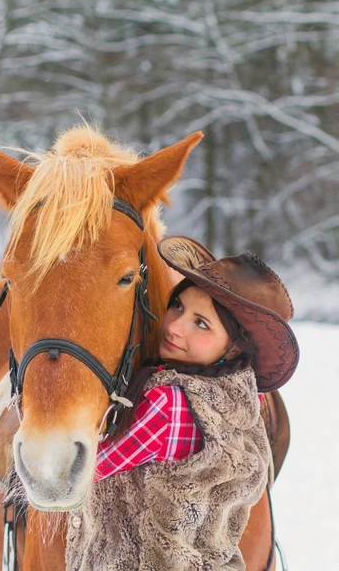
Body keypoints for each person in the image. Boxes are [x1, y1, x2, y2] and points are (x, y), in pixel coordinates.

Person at [66, 235, 299, 571]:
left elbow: (83, 471)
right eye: (178, 306)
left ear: (234, 349)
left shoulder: (168, 405)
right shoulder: (245, 401)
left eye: (201, 323)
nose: (173, 326)